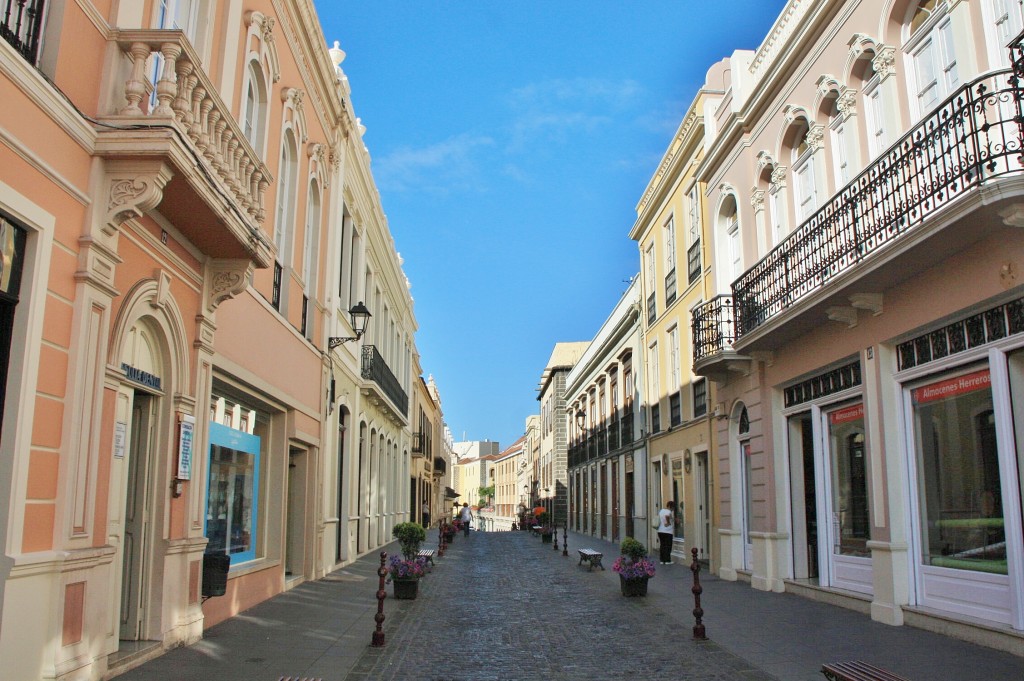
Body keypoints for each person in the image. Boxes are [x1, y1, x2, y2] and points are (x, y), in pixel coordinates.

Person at [657, 500, 675, 564]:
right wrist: (668, 523)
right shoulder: (668, 511)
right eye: (673, 507)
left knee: (662, 545)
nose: (673, 509)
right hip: (667, 532)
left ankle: (662, 560)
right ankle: (667, 560)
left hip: (660, 531)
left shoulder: (661, 511)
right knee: (668, 546)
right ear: (670, 506)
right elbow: (667, 516)